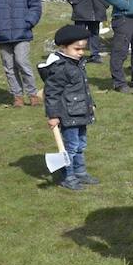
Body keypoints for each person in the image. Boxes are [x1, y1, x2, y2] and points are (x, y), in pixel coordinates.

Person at [37, 25, 97, 191]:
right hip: (68, 114)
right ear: (63, 47)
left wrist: (90, 105)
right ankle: (67, 176)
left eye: (83, 49)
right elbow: (51, 94)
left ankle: (80, 172)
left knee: (80, 145)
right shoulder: (60, 67)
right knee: (69, 148)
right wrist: (53, 115)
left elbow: (82, 88)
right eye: (77, 49)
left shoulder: (76, 63)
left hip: (80, 112)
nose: (81, 52)